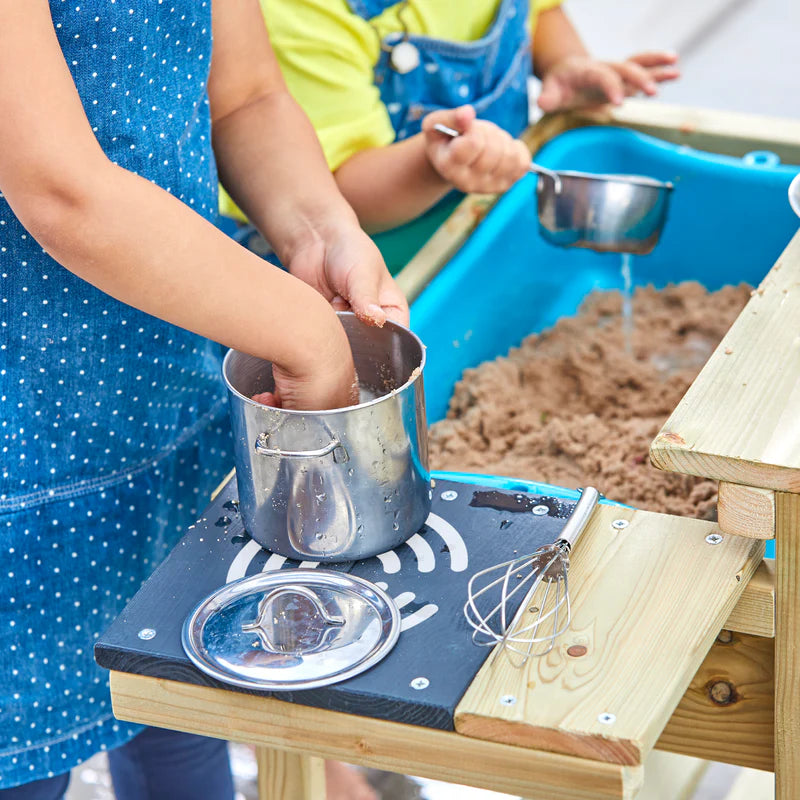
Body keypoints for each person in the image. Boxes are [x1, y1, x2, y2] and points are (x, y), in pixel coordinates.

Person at [0, 1, 403, 799]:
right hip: (22, 448)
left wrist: (319, 228)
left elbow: (247, 93)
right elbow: (60, 191)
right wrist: (309, 340)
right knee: (27, 761)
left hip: (163, 391)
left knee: (181, 705)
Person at [221, 0, 680, 237]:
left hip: (484, 216)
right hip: (377, 257)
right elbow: (326, 192)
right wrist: (433, 162)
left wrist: (562, 63)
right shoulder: (296, 14)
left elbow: (538, 13)